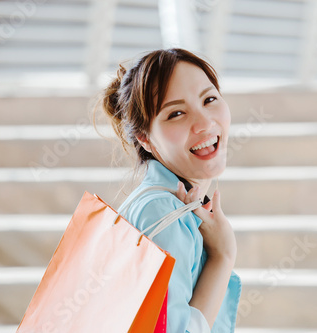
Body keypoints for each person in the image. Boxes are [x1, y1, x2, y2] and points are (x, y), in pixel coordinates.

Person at [99, 48, 241, 332]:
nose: (204, 123)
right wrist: (222, 257)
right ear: (145, 139)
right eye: (176, 113)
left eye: (209, 99)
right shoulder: (161, 213)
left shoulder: (165, 206)